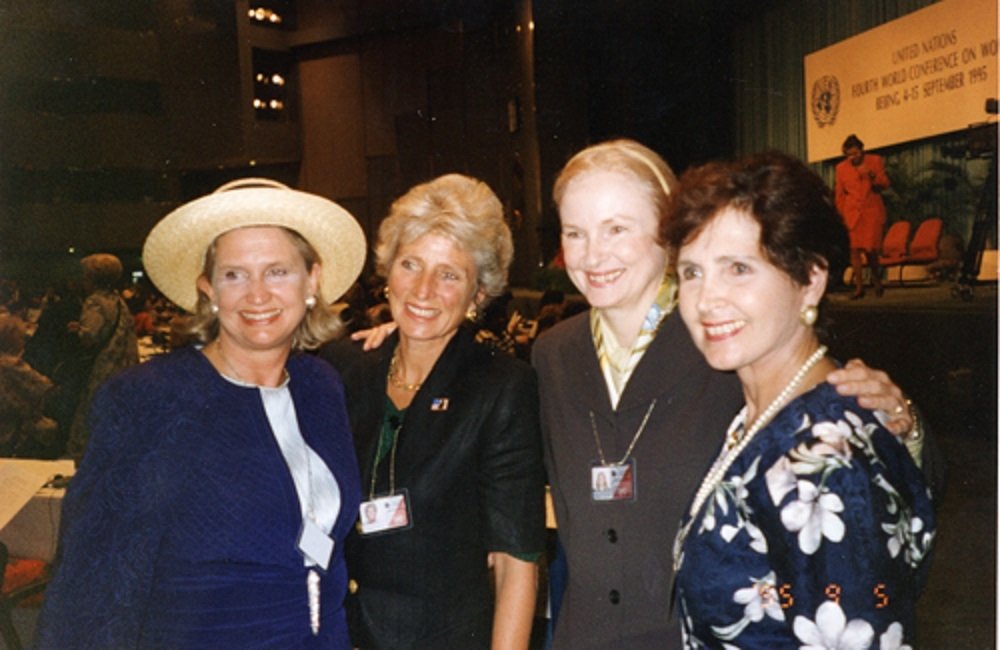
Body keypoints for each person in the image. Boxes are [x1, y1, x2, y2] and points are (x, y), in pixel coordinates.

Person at [530, 139, 921, 649]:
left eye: (617, 229)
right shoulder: (551, 354)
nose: (592, 254)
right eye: (575, 233)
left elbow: (873, 484)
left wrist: (903, 421)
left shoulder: (729, 342)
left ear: (665, 236)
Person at [36, 178, 367, 648]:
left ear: (311, 280)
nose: (257, 295)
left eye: (277, 271)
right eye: (234, 274)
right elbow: (91, 589)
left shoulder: (321, 386)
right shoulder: (149, 400)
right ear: (208, 289)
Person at [666, 151, 934, 647]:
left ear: (810, 280)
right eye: (691, 272)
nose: (706, 300)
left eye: (738, 269)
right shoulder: (763, 416)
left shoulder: (823, 459)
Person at [319, 173, 545, 649]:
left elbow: (514, 562)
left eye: (449, 275)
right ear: (387, 273)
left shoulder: (501, 387)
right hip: (339, 634)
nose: (422, 290)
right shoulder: (344, 368)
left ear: (477, 295)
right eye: (411, 264)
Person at [65, 253, 139, 461]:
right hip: (123, 367)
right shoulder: (118, 300)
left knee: (92, 422)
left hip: (103, 368)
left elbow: (89, 337)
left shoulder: (95, 301)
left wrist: (76, 330)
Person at [835, 134, 890, 299]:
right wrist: (839, 215)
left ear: (862, 150)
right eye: (849, 155)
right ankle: (859, 288)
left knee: (871, 250)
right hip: (851, 214)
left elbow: (885, 184)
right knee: (854, 250)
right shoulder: (841, 168)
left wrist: (871, 174)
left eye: (856, 153)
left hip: (871, 212)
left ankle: (877, 280)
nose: (853, 157)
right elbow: (840, 194)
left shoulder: (875, 160)